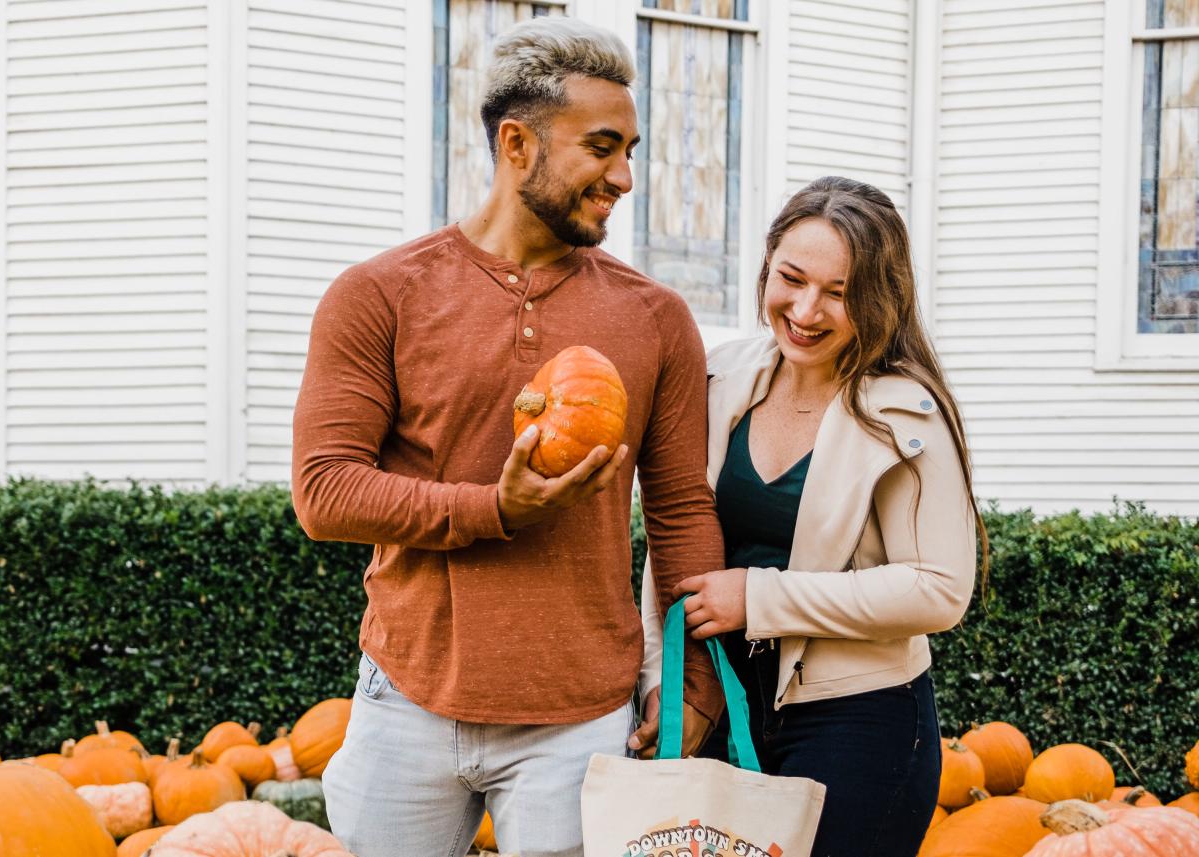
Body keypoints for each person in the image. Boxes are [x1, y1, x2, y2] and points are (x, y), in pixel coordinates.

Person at [290, 16, 724, 857]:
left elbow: (679, 510)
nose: (625, 176)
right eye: (602, 148)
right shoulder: (379, 294)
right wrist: (497, 506)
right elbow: (325, 492)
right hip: (405, 700)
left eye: (632, 149)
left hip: (580, 719)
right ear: (517, 144)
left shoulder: (658, 319)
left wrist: (695, 677)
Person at [629, 176, 986, 857]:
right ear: (766, 267)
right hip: (729, 698)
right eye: (791, 278)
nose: (805, 308)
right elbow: (672, 535)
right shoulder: (720, 378)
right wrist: (662, 679)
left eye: (840, 292)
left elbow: (940, 587)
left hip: (860, 718)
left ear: (878, 298)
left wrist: (759, 597)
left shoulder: (906, 414)